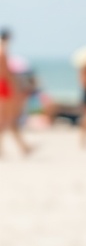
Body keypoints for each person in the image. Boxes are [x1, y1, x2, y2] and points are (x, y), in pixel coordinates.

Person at [0, 28, 33, 156]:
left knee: (7, 119)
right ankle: (23, 147)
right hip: (5, 86)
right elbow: (6, 73)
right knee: (8, 118)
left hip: (3, 85)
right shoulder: (3, 51)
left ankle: (24, 147)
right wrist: (16, 88)